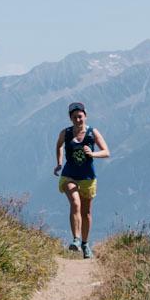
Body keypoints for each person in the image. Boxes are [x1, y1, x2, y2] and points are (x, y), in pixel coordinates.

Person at [55, 102, 110, 257]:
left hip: (87, 178)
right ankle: (76, 240)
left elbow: (106, 152)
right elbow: (59, 145)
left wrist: (93, 154)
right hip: (69, 175)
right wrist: (59, 163)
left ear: (85, 116)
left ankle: (85, 244)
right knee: (75, 203)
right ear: (70, 118)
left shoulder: (93, 133)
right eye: (74, 117)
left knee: (86, 213)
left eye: (80, 116)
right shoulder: (65, 133)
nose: (78, 120)